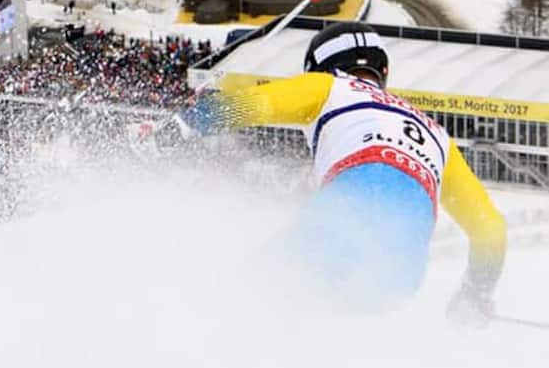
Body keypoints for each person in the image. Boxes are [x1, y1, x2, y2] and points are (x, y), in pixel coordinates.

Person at [180, 21, 506, 317]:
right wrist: (476, 293)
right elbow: (490, 229)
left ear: (320, 66)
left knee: (251, 298)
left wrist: (184, 124)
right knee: (336, 334)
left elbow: (257, 105)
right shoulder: (438, 136)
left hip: (352, 204)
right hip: (406, 256)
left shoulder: (329, 86)